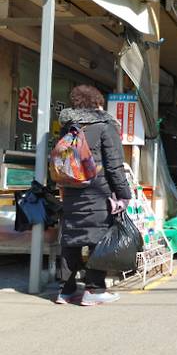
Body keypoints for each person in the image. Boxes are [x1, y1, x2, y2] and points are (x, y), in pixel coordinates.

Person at [56, 85, 132, 306]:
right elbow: (115, 167)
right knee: (98, 239)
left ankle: (66, 291)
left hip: (71, 192)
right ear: (97, 103)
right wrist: (124, 195)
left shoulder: (68, 128)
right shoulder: (105, 127)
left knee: (71, 240)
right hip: (99, 193)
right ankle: (94, 289)